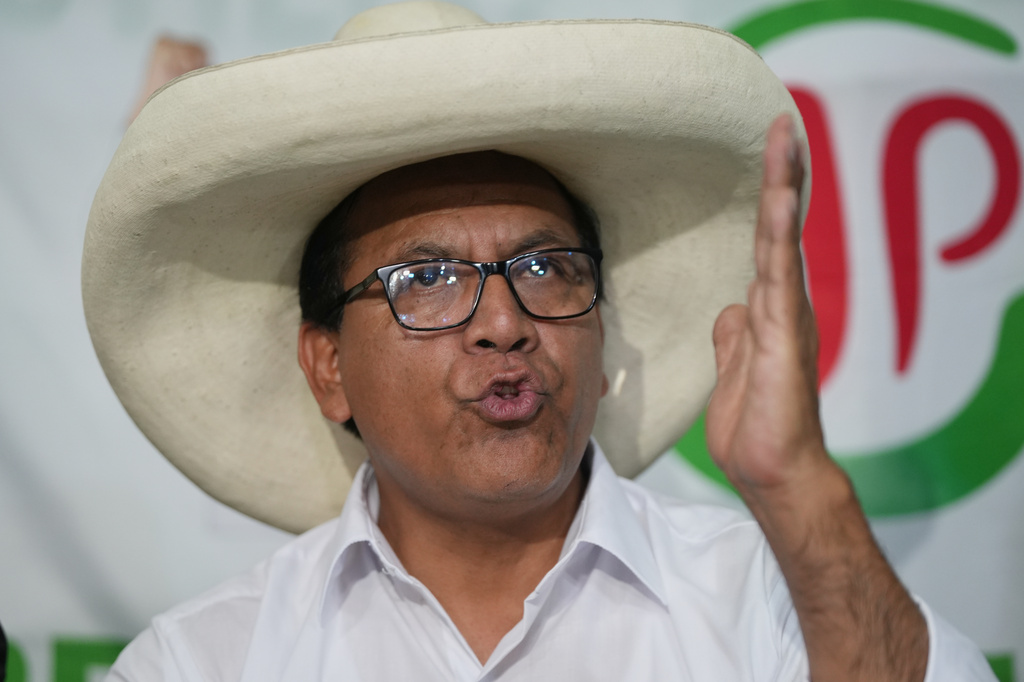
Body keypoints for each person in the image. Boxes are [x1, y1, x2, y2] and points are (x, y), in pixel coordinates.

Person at [83, 2, 995, 680]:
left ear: (602, 340)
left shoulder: (770, 599)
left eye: (547, 266)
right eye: (426, 280)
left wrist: (799, 489)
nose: (505, 322)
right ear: (328, 368)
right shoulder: (205, 661)